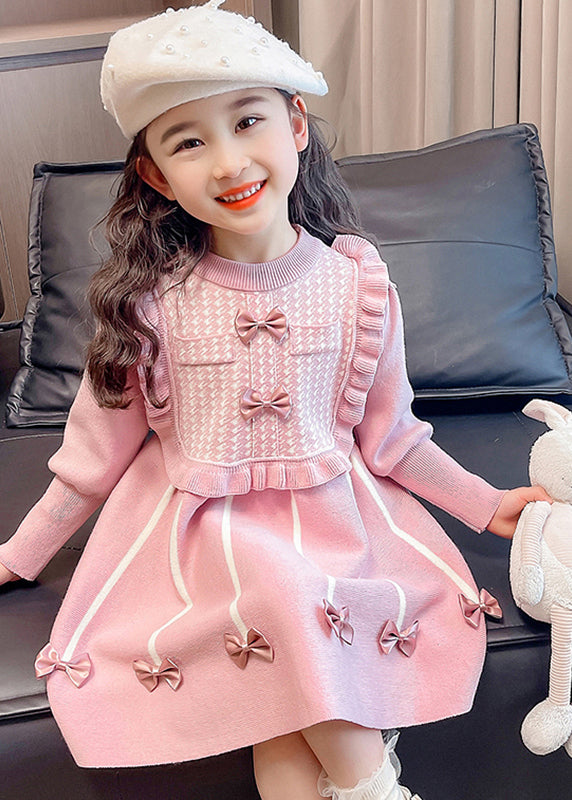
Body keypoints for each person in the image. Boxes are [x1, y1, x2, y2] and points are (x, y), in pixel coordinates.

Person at [0, 2, 550, 798]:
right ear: (155, 175)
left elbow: (391, 437)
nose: (229, 163)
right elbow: (92, 459)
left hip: (336, 526)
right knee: (280, 602)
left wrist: (485, 504)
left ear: (295, 124)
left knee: (288, 655)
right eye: (189, 142)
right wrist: (19, 554)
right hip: (198, 537)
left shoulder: (358, 283)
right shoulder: (147, 304)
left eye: (247, 121)